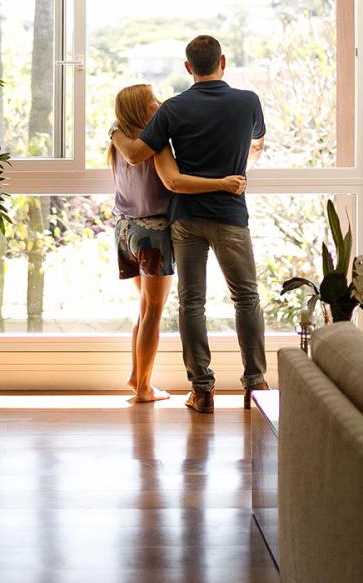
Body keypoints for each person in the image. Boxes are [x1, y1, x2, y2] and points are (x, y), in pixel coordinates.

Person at [112, 36, 266, 414]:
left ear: (187, 68)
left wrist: (114, 131)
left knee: (191, 303)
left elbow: (137, 154)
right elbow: (257, 144)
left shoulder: (173, 110)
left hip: (185, 220)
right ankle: (255, 384)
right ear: (223, 61)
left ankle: (202, 389)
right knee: (246, 298)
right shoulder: (248, 102)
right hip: (230, 215)